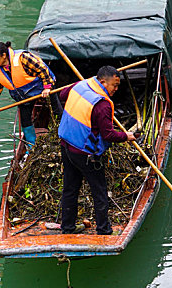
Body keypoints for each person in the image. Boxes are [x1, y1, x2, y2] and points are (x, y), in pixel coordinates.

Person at [58, 66, 136, 235]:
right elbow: (108, 135)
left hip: (66, 145)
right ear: (102, 82)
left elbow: (62, 95)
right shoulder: (102, 105)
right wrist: (126, 136)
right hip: (85, 154)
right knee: (99, 191)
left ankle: (67, 228)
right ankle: (104, 230)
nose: (116, 89)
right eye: (114, 86)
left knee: (70, 189)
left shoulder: (80, 85)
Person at [0, 41, 63, 148]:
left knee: (56, 111)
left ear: (3, 55)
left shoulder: (23, 57)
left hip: (41, 88)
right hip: (24, 96)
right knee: (25, 121)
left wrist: (47, 88)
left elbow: (43, 69)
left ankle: (63, 135)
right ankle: (31, 146)